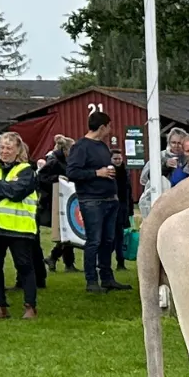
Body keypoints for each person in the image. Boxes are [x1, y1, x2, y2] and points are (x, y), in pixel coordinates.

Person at [0, 131, 42, 320]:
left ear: (18, 150)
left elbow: (18, 192)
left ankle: (30, 306)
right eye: (2, 147)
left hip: (19, 229)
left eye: (9, 148)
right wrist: (3, 188)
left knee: (24, 266)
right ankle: (0, 306)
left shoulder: (27, 170)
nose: (4, 151)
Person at [66, 110, 128, 292]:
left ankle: (107, 278)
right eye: (108, 127)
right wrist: (96, 173)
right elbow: (72, 172)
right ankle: (91, 280)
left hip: (109, 197)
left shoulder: (102, 146)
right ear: (102, 127)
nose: (110, 130)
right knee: (94, 240)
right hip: (91, 199)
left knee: (108, 240)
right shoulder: (81, 147)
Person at [39, 135, 76, 274]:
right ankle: (58, 259)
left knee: (68, 231)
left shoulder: (66, 161)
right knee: (65, 232)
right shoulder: (54, 161)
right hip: (53, 201)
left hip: (65, 199)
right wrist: (57, 178)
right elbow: (41, 178)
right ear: (66, 150)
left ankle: (63, 261)